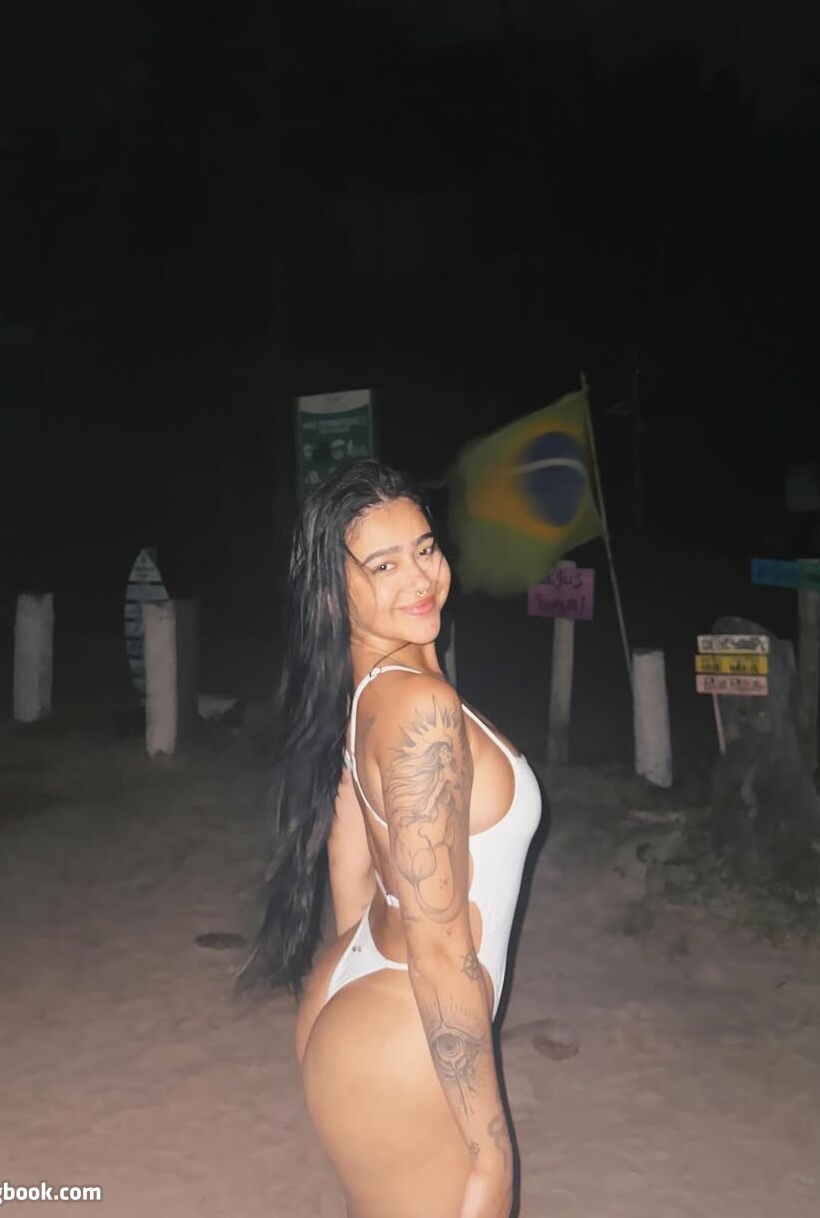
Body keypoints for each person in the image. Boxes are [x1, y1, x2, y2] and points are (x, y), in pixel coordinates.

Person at [250, 460, 542, 1218]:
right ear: (331, 592)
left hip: (361, 995)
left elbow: (350, 860)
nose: (420, 578)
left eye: (425, 548)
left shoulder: (371, 692)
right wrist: (491, 1149)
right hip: (403, 1031)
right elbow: (441, 950)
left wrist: (353, 982)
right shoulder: (419, 709)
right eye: (384, 565)